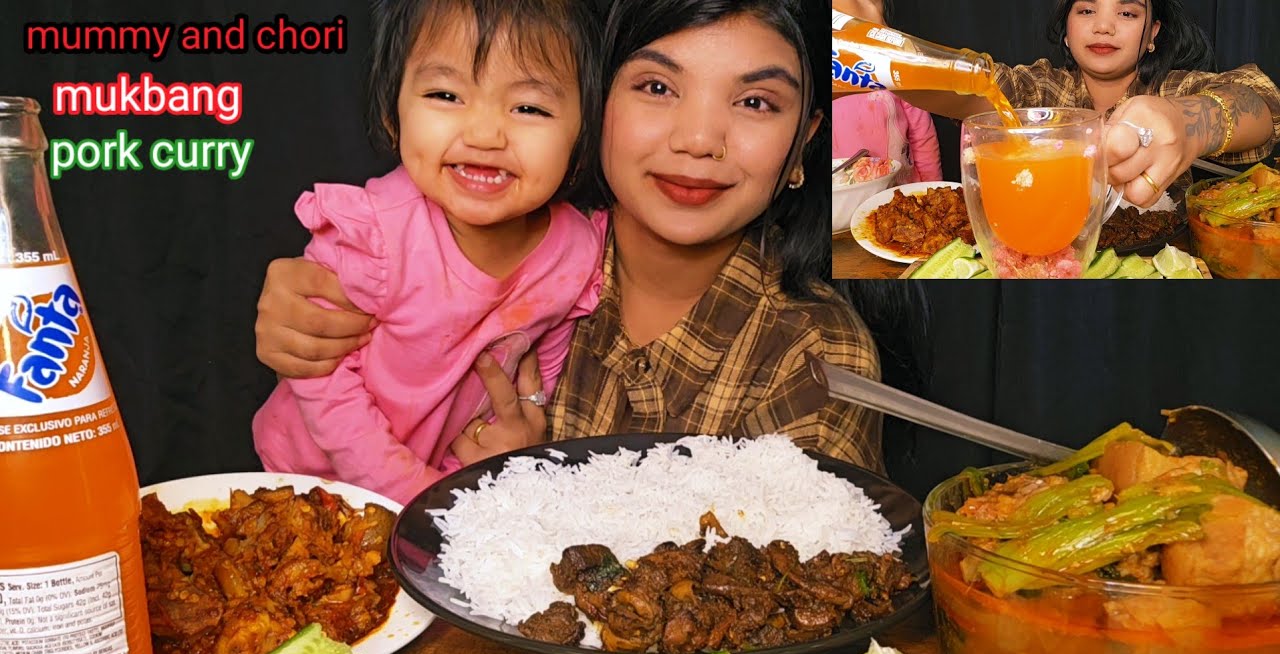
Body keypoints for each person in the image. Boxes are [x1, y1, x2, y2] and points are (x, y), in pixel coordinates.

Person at [253, 0, 903, 475]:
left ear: (803, 146)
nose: (698, 140)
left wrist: (516, 481)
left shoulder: (814, 357)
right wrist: (303, 322)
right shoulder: (539, 253)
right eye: (656, 86)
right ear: (596, 106)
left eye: (756, 102)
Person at [250, 0, 605, 504]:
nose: (484, 134)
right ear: (394, 114)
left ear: (581, 138)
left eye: (529, 108)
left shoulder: (576, 251)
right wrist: (417, 494)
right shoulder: (374, 233)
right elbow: (321, 381)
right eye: (445, 94)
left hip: (440, 494)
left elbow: (538, 376)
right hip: (307, 482)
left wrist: (457, 479)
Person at [837, 0, 1280, 207]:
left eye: (1127, 13)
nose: (1104, 25)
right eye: (1086, 10)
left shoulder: (1177, 86)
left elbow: (1262, 102)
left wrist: (1188, 123)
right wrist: (878, 57)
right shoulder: (1042, 89)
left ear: (1153, 35)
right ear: (1066, 31)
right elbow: (972, 88)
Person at [831, 0, 942, 183]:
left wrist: (931, 186)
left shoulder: (894, 69)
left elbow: (923, 137)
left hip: (902, 196)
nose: (865, 8)